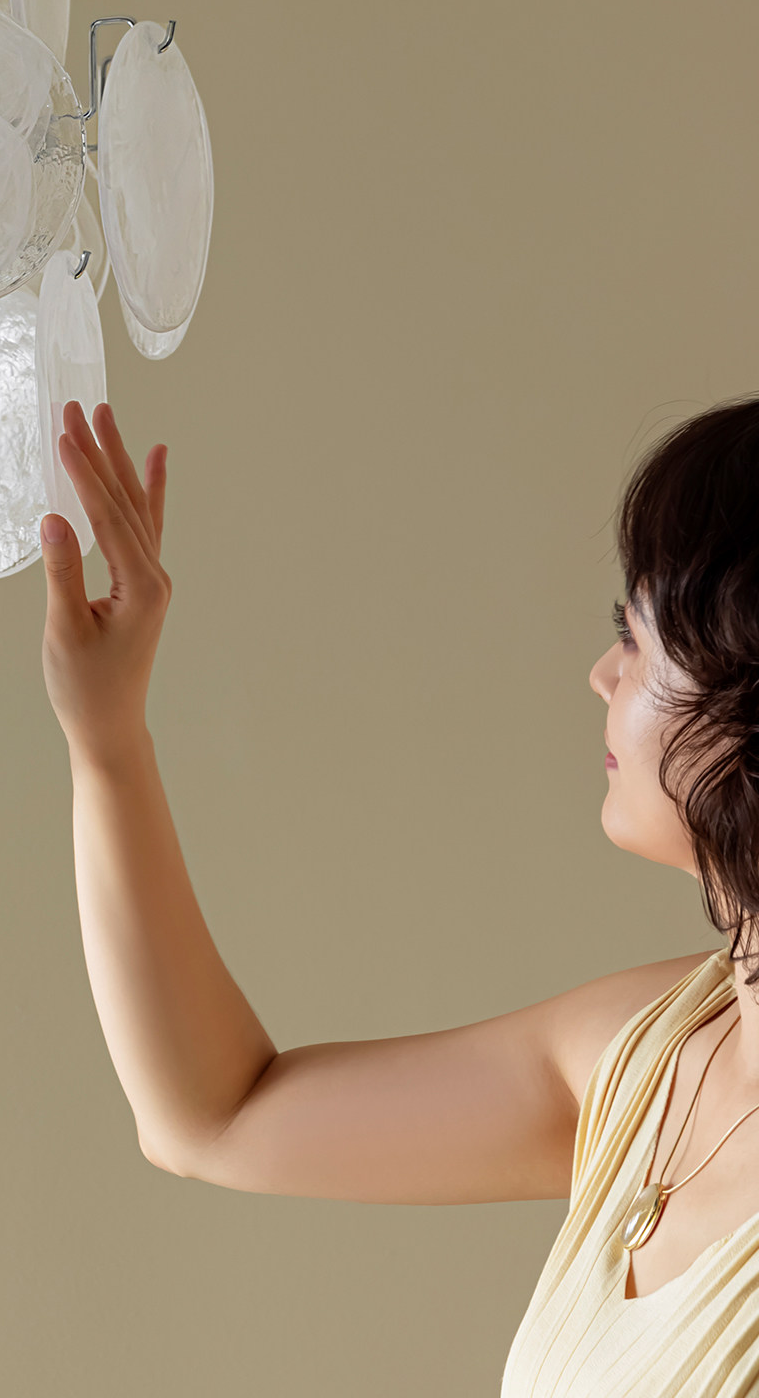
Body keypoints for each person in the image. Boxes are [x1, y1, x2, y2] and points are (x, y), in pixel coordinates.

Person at [41, 397, 759, 1395]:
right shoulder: (654, 1051)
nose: (601, 674)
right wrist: (106, 740)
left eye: (634, 637)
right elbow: (213, 1116)